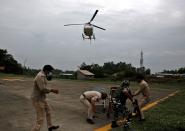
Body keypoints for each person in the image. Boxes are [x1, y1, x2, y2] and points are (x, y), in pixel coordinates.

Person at [31, 65, 59, 131]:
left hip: (42, 98)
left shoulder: (43, 75)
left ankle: (50, 126)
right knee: (40, 118)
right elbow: (42, 89)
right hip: (37, 99)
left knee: (48, 111)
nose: (50, 73)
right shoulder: (40, 76)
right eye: (50, 71)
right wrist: (52, 90)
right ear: (46, 70)